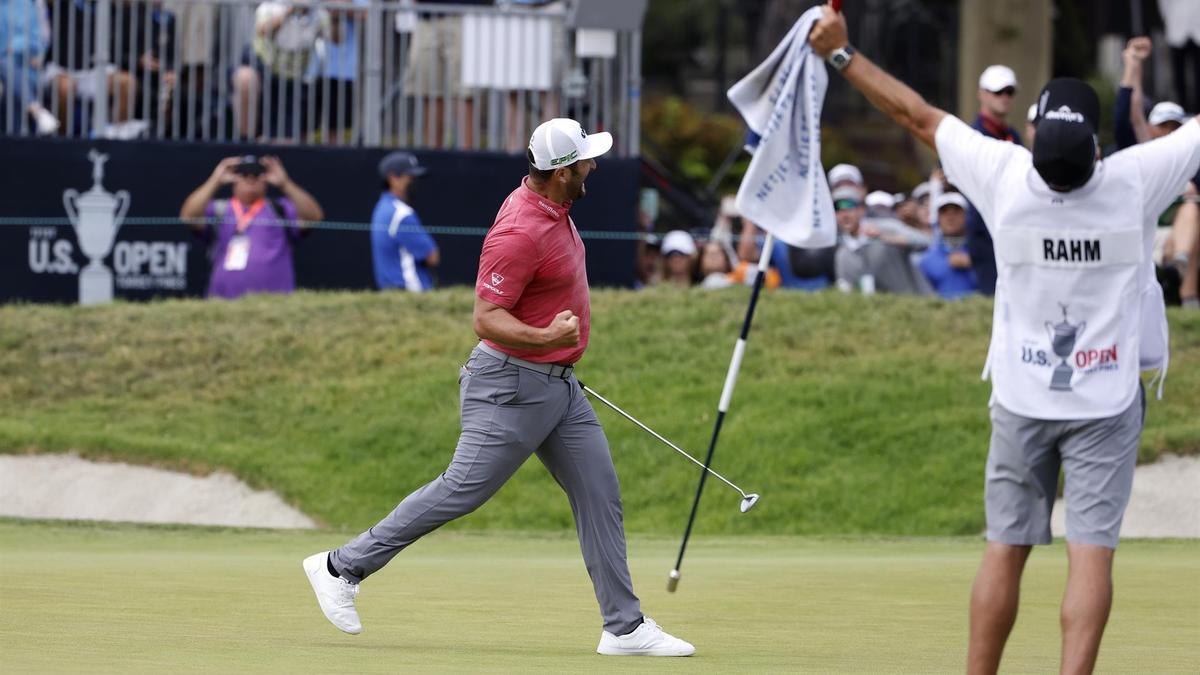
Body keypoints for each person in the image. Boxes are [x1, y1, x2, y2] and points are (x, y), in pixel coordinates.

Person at [809, 7, 1200, 674]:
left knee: (1005, 547)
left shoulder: (1006, 174)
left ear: (1036, 136)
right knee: (1091, 551)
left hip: (1022, 397)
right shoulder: (1134, 181)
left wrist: (842, 54)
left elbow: (917, 115)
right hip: (1104, 399)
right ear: (1097, 153)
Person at [302, 117, 695, 657]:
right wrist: (546, 336)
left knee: (600, 495)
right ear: (561, 173)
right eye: (585, 161)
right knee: (462, 489)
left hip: (559, 388)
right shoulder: (519, 230)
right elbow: (486, 318)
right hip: (509, 385)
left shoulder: (557, 206)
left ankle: (624, 627)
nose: (594, 166)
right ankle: (339, 568)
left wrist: (557, 349)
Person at [179, 155, 323, 299]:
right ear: (234, 179)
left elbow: (313, 217)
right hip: (222, 302)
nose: (250, 178)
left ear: (265, 179)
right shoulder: (219, 209)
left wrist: (284, 183)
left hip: (274, 304)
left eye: (257, 174)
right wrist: (215, 180)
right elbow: (188, 217)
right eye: (243, 174)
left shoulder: (280, 208)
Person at [965, 64, 1022, 297]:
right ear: (982, 94)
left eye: (1009, 92)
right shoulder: (974, 137)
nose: (1004, 98)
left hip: (1011, 227)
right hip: (983, 230)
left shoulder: (1013, 136)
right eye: (998, 92)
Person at [371, 151, 439, 291]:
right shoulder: (401, 213)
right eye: (410, 178)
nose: (414, 183)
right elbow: (432, 257)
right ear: (393, 178)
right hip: (413, 292)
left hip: (391, 292)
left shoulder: (382, 207)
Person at [919, 192, 977, 299]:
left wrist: (975, 263)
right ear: (938, 218)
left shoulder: (984, 254)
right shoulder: (926, 259)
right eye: (944, 212)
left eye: (956, 211)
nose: (950, 217)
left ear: (967, 216)